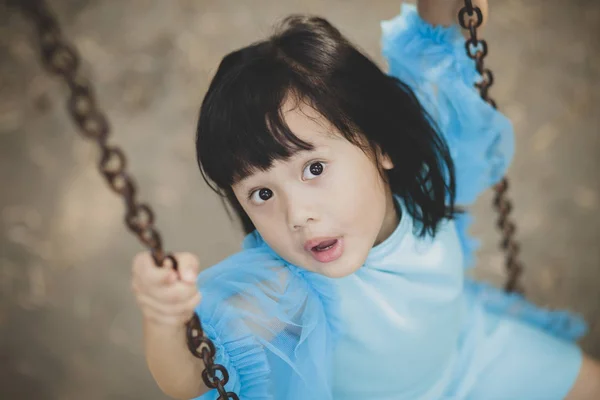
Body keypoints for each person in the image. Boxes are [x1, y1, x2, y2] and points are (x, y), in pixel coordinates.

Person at [131, 1, 600, 398]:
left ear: (381, 146)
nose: (298, 215)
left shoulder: (421, 174)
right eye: (262, 193)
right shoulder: (289, 288)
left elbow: (441, 31)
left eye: (314, 168)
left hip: (473, 350)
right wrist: (165, 319)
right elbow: (191, 377)